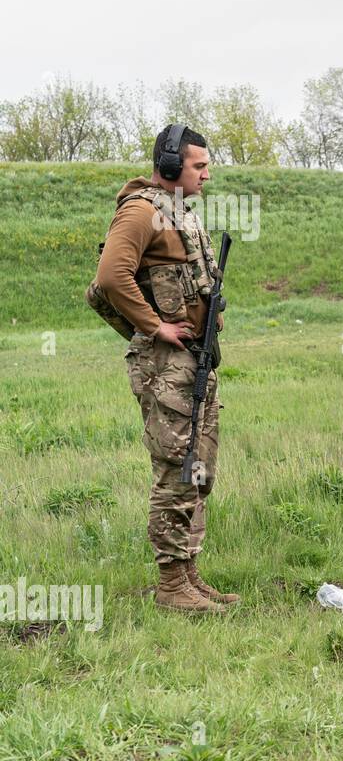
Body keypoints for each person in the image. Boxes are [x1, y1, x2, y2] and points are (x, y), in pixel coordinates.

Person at [92, 124, 237, 613]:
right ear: (172, 164)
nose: (206, 174)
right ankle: (171, 586)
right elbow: (110, 278)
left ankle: (189, 575)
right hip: (167, 365)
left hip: (193, 359)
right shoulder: (140, 211)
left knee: (198, 468)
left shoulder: (180, 212)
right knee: (177, 468)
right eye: (199, 165)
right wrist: (156, 327)